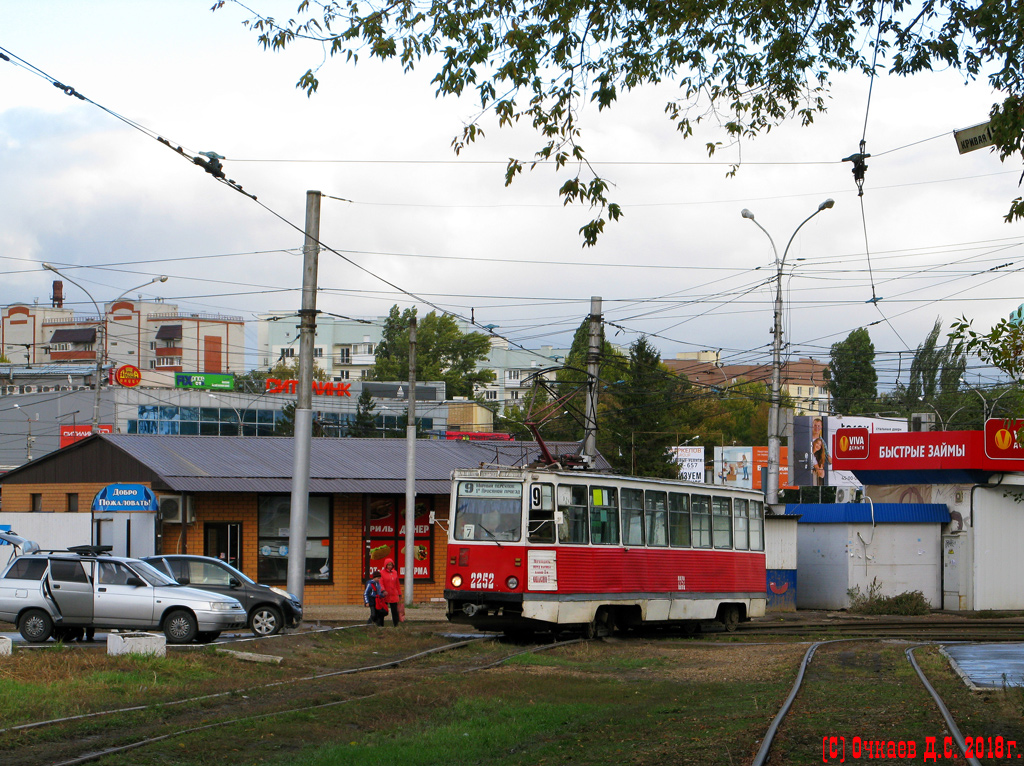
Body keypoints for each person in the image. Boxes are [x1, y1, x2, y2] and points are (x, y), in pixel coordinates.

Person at [380, 558, 403, 626]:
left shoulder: (395, 572)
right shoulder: (382, 573)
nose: (390, 566)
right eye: (388, 565)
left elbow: (397, 584)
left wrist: (399, 593)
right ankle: (381, 624)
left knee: (395, 611)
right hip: (385, 595)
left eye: (391, 565)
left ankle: (396, 624)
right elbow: (381, 583)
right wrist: (383, 590)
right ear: (385, 565)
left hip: (393, 594)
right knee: (383, 610)